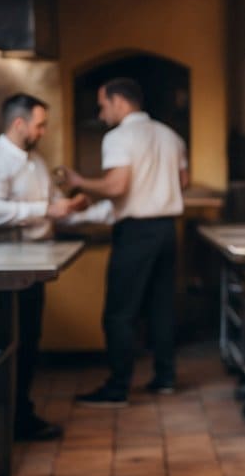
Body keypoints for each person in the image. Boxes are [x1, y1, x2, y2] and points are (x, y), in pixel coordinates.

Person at [61, 77, 188, 407]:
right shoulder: (169, 135)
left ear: (119, 102)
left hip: (136, 233)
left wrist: (80, 182)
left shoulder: (118, 137)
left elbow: (117, 186)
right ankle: (165, 378)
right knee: (161, 307)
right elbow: (183, 181)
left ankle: (117, 388)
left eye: (103, 105)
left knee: (119, 313)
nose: (102, 113)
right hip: (166, 230)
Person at [0, 92, 90, 441]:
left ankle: (20, 413)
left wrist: (71, 208)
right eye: (40, 125)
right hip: (3, 267)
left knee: (29, 339)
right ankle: (7, 419)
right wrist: (45, 210)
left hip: (34, 264)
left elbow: (51, 206)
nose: (44, 132)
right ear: (19, 123)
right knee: (10, 343)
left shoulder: (35, 160)